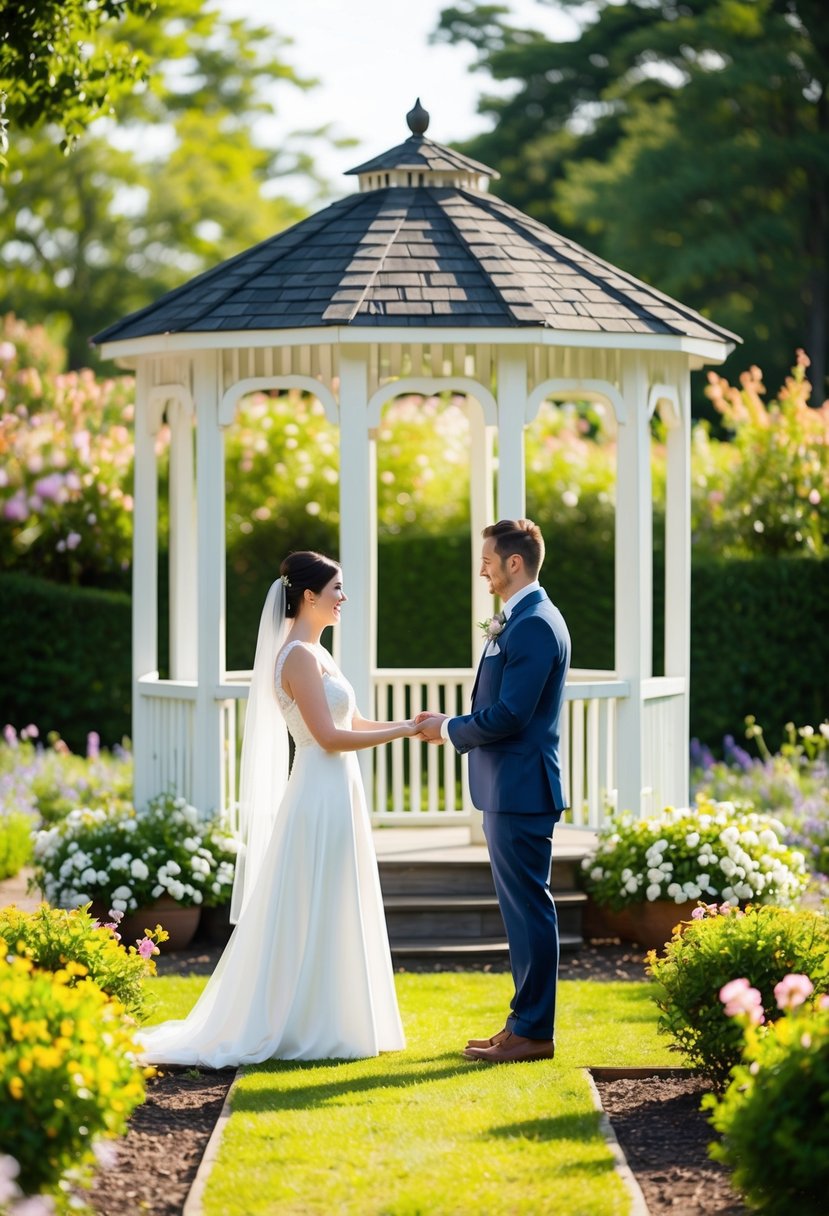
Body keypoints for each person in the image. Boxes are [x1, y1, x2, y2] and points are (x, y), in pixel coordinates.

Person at [138, 551, 420, 1066]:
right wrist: (403, 732)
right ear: (309, 596)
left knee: (338, 898)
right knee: (311, 902)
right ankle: (301, 1023)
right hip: (317, 791)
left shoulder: (320, 653)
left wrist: (405, 725)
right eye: (337, 589)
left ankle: (341, 1019)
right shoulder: (297, 657)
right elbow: (328, 738)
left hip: (340, 791)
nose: (344, 598)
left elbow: (352, 721)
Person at [417, 519, 571, 1064]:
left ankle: (533, 1033)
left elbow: (510, 715)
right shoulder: (521, 618)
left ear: (513, 562)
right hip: (508, 789)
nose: (481, 567)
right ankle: (521, 1025)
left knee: (530, 911)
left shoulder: (533, 624)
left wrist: (449, 729)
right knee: (521, 911)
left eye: (487, 558)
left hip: (521, 789)